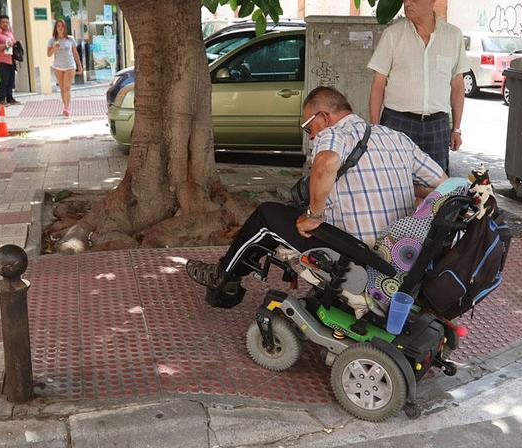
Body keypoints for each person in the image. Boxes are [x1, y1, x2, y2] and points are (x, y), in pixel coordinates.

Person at [186, 86, 446, 305]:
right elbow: (444, 185)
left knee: (266, 214)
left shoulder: (334, 134)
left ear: (323, 117)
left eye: (308, 128)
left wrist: (314, 215)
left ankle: (225, 276)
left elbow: (327, 163)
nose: (311, 136)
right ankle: (228, 275)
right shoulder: (394, 137)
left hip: (357, 253)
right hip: (397, 255)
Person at [367, 0, 470, 174]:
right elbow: (378, 86)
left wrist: (457, 129)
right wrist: (376, 130)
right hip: (397, 123)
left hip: (437, 126)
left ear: (431, 2)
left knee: (437, 187)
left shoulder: (453, 36)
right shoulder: (393, 35)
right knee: (394, 180)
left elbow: (458, 85)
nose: (407, 3)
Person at [47, 19, 83, 116]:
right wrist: (54, 48)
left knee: (67, 87)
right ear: (56, 28)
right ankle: (65, 106)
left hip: (70, 66)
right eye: (58, 26)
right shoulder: (52, 40)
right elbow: (48, 54)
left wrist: (79, 66)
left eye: (62, 26)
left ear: (64, 28)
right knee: (62, 88)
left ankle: (67, 108)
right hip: (58, 67)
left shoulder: (70, 39)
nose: (60, 28)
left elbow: (75, 53)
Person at [0, 14, 20, 106]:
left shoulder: (10, 33)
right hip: (3, 61)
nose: (5, 24)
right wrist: (6, 45)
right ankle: (2, 99)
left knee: (11, 81)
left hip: (11, 59)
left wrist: (17, 44)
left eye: (7, 22)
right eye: (3, 22)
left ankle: (10, 98)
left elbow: (13, 43)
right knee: (4, 81)